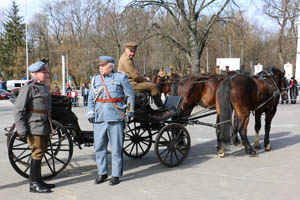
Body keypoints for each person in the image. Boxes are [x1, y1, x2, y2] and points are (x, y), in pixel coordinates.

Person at [88, 56, 135, 186]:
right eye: (100, 65)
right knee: (99, 148)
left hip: (115, 117)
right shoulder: (95, 79)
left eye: (104, 65)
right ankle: (102, 173)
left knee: (116, 148)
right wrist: (91, 112)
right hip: (99, 118)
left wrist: (130, 111)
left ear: (111, 66)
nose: (101, 67)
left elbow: (130, 95)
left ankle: (115, 174)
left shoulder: (121, 78)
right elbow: (91, 99)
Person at [13, 61, 55, 193]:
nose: (46, 74)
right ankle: (33, 184)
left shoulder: (42, 87)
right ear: (34, 74)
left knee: (41, 151)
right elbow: (18, 109)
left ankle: (38, 179)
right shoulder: (29, 87)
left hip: (43, 124)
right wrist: (21, 129)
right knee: (37, 152)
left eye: (46, 72)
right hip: (34, 125)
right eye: (44, 73)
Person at [118, 42, 164, 109]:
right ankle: (161, 107)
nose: (132, 54)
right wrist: (146, 80)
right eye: (131, 51)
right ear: (125, 49)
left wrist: (143, 78)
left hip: (127, 83)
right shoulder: (127, 60)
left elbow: (134, 73)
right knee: (153, 86)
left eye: (134, 51)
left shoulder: (124, 57)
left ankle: (147, 107)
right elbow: (135, 76)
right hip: (130, 85)